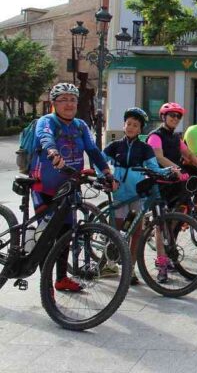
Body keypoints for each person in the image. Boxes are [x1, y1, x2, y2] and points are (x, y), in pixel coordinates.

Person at [30, 83, 114, 292]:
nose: (69, 104)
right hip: (44, 189)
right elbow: (45, 137)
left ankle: (61, 279)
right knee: (46, 238)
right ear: (54, 103)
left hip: (69, 188)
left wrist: (107, 172)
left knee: (66, 235)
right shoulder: (47, 121)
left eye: (72, 99)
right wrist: (52, 151)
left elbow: (93, 150)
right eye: (63, 99)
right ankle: (45, 284)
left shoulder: (80, 125)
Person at [102, 107, 172, 285]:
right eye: (129, 124)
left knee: (134, 232)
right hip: (119, 194)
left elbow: (154, 168)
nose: (131, 127)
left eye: (136, 125)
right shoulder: (115, 145)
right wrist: (106, 176)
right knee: (116, 230)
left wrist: (169, 171)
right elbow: (100, 161)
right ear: (124, 126)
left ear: (141, 129)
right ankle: (110, 263)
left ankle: (130, 268)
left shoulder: (145, 148)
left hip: (136, 194)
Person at [146, 102, 197, 281]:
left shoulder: (175, 137)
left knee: (175, 219)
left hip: (174, 183)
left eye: (178, 116)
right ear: (163, 117)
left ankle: (169, 251)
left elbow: (188, 153)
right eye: (172, 115)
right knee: (161, 225)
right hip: (159, 182)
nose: (175, 119)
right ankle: (161, 264)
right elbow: (159, 156)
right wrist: (176, 168)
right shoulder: (156, 136)